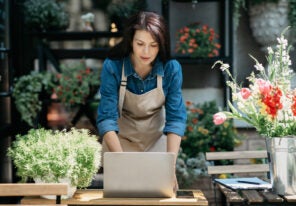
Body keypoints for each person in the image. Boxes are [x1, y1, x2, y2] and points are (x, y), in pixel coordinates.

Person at [96, 11, 187, 190]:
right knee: (123, 197)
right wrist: (120, 162)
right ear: (131, 41)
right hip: (120, 143)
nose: (146, 52)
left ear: (161, 45)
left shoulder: (171, 69)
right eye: (140, 44)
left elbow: (176, 119)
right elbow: (106, 117)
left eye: (153, 45)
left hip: (156, 143)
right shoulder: (113, 66)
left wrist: (170, 165)